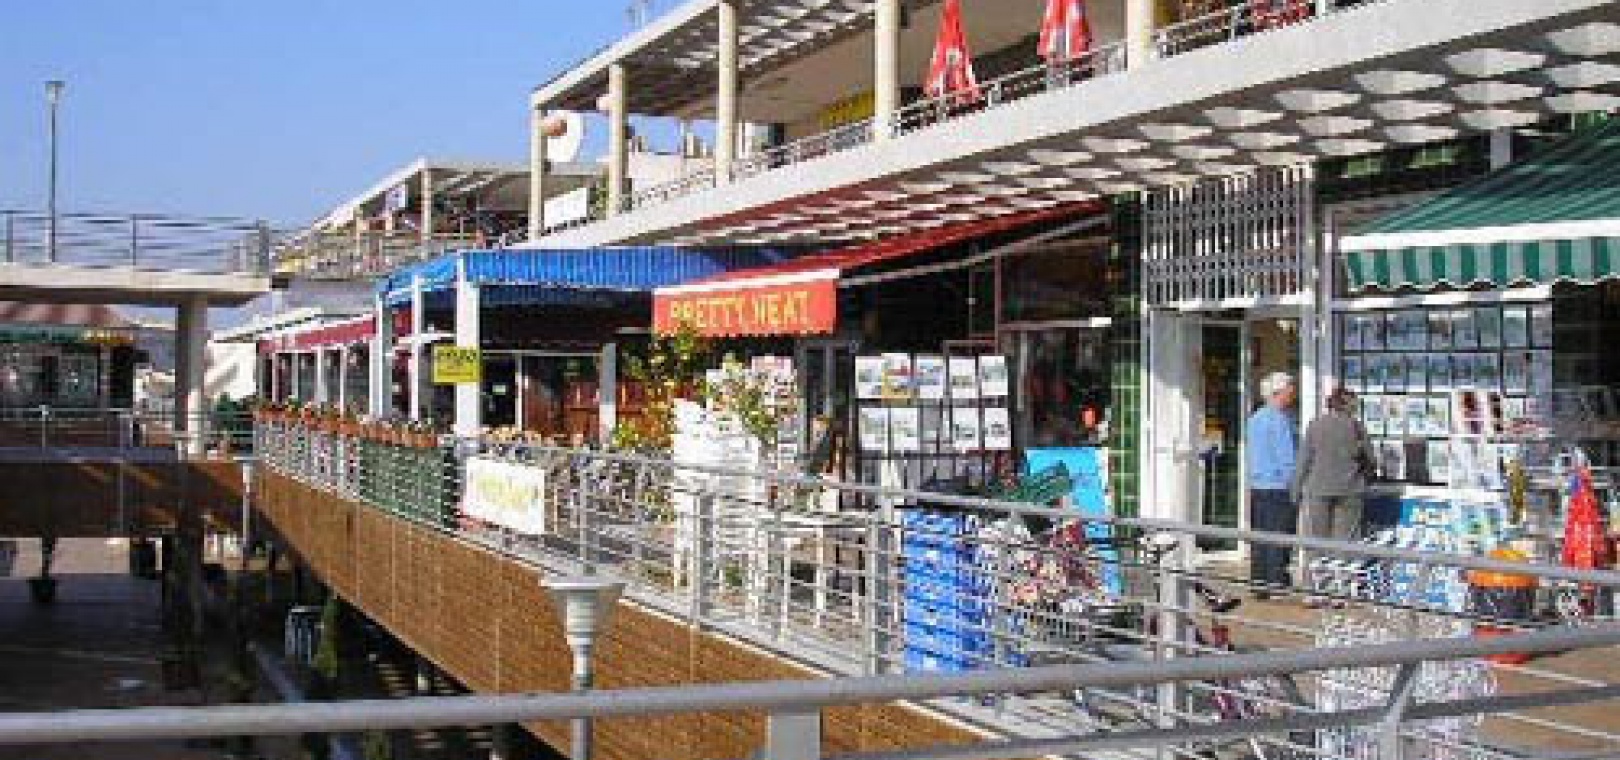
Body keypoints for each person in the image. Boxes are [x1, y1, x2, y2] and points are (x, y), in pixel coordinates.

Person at [1292, 387, 1375, 606]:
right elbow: (1371, 460)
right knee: (1345, 543)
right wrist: (1364, 476)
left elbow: (1304, 460)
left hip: (1318, 489)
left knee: (1315, 541)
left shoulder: (1315, 425)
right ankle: (1341, 592)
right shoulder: (1357, 427)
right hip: (1350, 490)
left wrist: (1295, 488)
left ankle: (1314, 591)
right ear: (1349, 405)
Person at [1246, 371, 1298, 597]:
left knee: (1260, 538)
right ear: (1279, 393)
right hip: (1278, 487)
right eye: (1290, 392)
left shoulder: (1255, 418)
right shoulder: (1280, 420)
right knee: (1279, 537)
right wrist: (1295, 485)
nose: (1292, 396)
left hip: (1258, 486)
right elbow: (1287, 459)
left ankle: (1259, 583)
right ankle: (1277, 583)